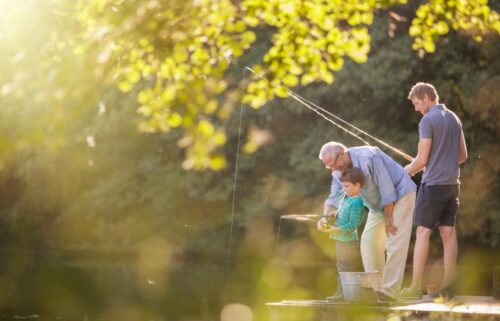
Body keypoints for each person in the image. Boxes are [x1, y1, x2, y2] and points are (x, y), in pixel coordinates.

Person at [318, 142, 416, 301]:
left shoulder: (369, 157)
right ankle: (377, 289)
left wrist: (389, 218)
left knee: (395, 241)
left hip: (400, 195)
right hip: (376, 205)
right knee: (369, 242)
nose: (333, 169)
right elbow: (335, 194)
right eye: (329, 167)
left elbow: (387, 189)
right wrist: (324, 216)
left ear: (342, 153)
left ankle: (389, 292)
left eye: (334, 164)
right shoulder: (337, 171)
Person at [400, 82, 468, 298]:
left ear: (428, 97)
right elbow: (463, 156)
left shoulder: (427, 120)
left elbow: (420, 160)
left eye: (417, 103)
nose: (416, 108)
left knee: (422, 232)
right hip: (452, 185)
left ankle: (414, 287)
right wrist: (440, 162)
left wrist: (407, 171)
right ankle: (449, 287)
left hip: (434, 186)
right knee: (448, 233)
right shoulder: (454, 118)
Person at [316, 167, 366, 301]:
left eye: (347, 186)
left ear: (357, 185)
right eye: (343, 186)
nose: (344, 189)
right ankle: (341, 294)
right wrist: (334, 213)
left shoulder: (357, 202)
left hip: (348, 241)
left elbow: (351, 226)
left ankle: (346, 296)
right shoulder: (347, 198)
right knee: (341, 267)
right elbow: (343, 211)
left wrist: (332, 229)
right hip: (340, 240)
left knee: (346, 268)